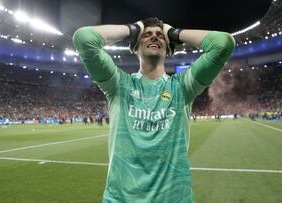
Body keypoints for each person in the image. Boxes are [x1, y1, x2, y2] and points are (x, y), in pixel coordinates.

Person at [73, 17, 235, 203]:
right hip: (121, 199)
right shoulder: (118, 84)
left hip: (174, 198)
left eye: (160, 36)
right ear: (134, 47)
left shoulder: (182, 87)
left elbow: (223, 44)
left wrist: (173, 33)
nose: (154, 37)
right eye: (147, 35)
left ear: (169, 47)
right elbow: (84, 38)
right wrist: (134, 28)